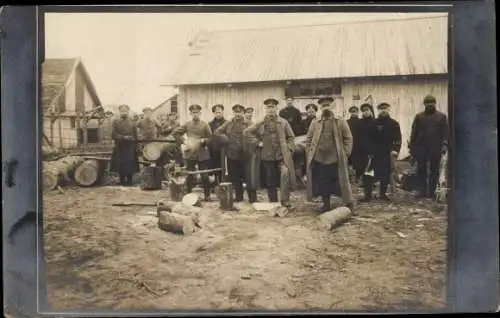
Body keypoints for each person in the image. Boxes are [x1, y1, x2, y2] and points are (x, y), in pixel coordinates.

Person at [244, 98, 297, 206]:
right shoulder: (260, 122)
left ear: (276, 108)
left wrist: (289, 149)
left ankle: (285, 201)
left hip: (282, 155)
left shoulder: (283, 122)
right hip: (267, 156)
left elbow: (291, 137)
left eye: (272, 107)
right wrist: (257, 142)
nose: (270, 109)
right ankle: (273, 202)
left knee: (285, 176)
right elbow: (246, 132)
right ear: (266, 109)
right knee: (270, 180)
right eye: (268, 107)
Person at [306, 96, 354, 212]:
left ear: (332, 106)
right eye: (323, 106)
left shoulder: (340, 121)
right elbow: (309, 139)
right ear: (320, 108)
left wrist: (345, 153)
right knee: (323, 182)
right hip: (320, 158)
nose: (326, 108)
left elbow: (348, 138)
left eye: (328, 105)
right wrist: (310, 153)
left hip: (335, 157)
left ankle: (348, 203)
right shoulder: (315, 122)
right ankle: (326, 204)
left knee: (340, 180)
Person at [408, 95, 448, 199]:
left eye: (431, 102)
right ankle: (422, 191)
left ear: (435, 103)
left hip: (435, 147)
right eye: (427, 102)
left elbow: (445, 132)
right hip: (421, 147)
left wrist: (444, 144)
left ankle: (431, 192)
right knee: (421, 170)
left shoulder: (442, 117)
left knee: (434, 170)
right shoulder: (419, 116)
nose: (429, 104)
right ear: (424, 104)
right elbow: (414, 132)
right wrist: (412, 148)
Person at [214, 104, 256, 202]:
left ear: (243, 113)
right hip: (233, 155)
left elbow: (257, 134)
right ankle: (239, 197)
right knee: (236, 178)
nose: (237, 114)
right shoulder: (229, 123)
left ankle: (252, 198)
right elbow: (217, 132)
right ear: (233, 113)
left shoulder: (249, 123)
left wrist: (252, 143)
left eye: (239, 112)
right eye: (235, 112)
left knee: (249, 177)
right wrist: (225, 139)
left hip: (246, 155)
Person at [361, 102, 402, 202]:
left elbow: (398, 138)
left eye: (385, 108)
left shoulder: (394, 123)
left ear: (389, 109)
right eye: (381, 108)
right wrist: (368, 151)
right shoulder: (373, 123)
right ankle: (368, 195)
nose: (383, 110)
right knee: (369, 174)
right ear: (378, 110)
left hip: (387, 153)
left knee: (386, 174)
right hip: (373, 154)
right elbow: (367, 138)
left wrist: (395, 150)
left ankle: (382, 194)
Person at [172, 104, 213, 201]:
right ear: (190, 113)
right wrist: (184, 141)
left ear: (200, 113)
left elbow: (211, 138)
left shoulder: (205, 124)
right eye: (193, 113)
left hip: (202, 153)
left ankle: (207, 195)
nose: (195, 115)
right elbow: (175, 133)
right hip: (190, 153)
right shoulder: (187, 124)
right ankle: (188, 195)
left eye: (197, 113)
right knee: (189, 175)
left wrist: (204, 141)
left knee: (205, 176)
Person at [109, 104, 140, 186]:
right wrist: (123, 137)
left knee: (130, 163)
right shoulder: (116, 122)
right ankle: (122, 181)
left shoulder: (132, 122)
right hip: (120, 146)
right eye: (122, 111)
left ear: (128, 111)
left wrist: (136, 146)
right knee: (120, 164)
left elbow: (135, 136)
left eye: (125, 111)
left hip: (130, 146)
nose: (124, 112)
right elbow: (113, 135)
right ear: (119, 112)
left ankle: (130, 181)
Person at [208, 104, 227, 184]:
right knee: (214, 166)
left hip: (224, 150)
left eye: (220, 112)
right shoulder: (210, 124)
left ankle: (225, 182)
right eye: (216, 113)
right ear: (214, 113)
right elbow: (209, 136)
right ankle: (216, 183)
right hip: (214, 150)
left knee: (225, 166)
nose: (218, 114)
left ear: (223, 112)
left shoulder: (227, 123)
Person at [346, 105, 363, 183]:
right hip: (349, 145)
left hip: (359, 145)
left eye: (355, 111)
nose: (354, 113)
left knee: (359, 163)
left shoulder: (361, 122)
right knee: (349, 163)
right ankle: (349, 178)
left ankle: (358, 177)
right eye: (352, 112)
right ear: (350, 113)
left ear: (358, 112)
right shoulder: (347, 122)